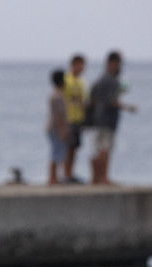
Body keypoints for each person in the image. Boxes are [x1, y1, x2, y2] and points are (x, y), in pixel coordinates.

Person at [88, 51, 137, 186]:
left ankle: (95, 178)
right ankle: (103, 177)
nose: (120, 67)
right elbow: (111, 101)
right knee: (105, 148)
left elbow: (92, 99)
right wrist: (128, 107)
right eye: (118, 63)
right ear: (112, 63)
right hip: (107, 119)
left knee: (97, 149)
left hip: (97, 119)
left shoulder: (100, 79)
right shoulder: (111, 80)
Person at [61, 54, 87, 183]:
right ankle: (65, 174)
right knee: (67, 147)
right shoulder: (66, 80)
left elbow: (83, 101)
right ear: (74, 65)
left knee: (75, 147)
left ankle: (70, 174)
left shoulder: (81, 82)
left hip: (78, 119)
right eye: (80, 64)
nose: (82, 68)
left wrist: (84, 120)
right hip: (68, 118)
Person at [45, 69, 70, 186]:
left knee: (56, 152)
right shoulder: (58, 96)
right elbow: (60, 115)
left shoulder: (53, 95)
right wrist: (63, 130)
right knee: (57, 153)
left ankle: (54, 177)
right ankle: (53, 178)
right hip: (56, 128)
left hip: (52, 127)